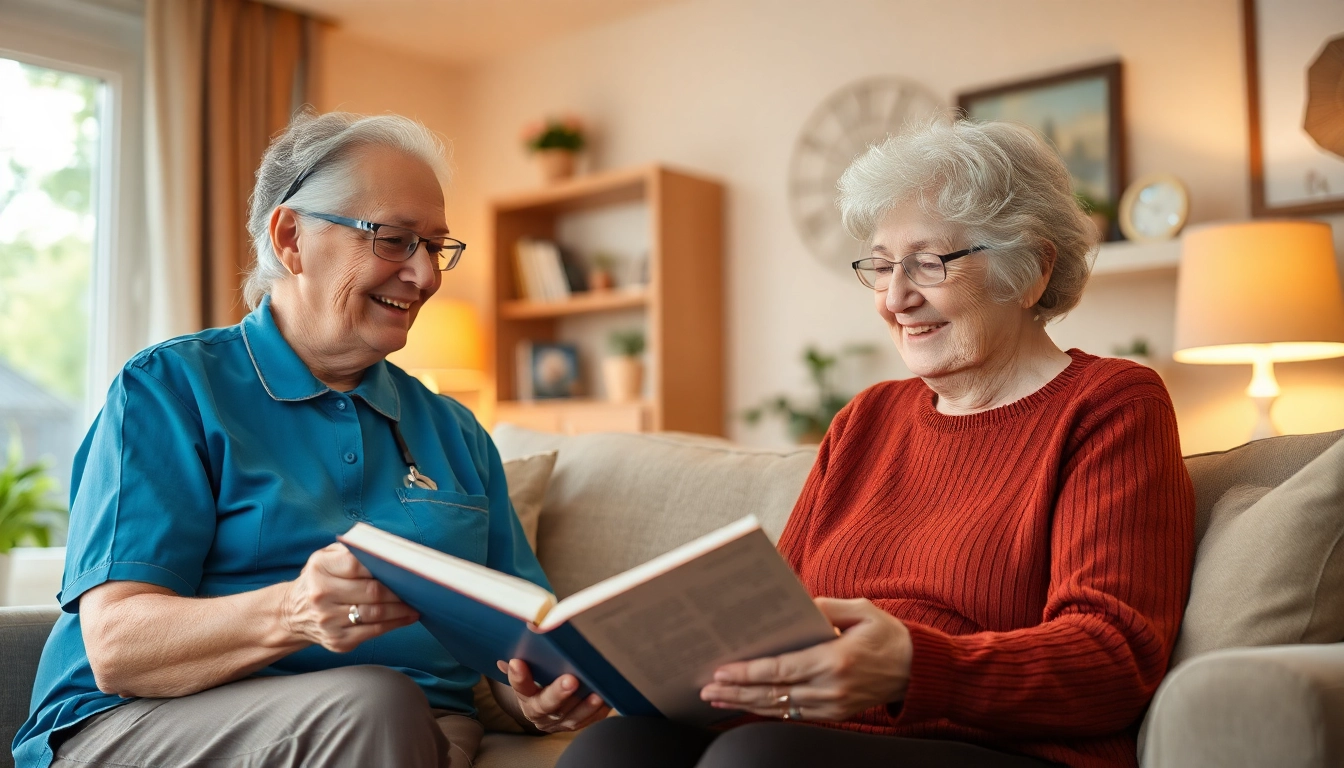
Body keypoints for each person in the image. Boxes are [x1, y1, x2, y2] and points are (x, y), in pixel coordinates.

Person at [557, 119, 1195, 768]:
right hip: (803, 731)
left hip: (1001, 746)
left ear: (1030, 268)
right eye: (883, 265)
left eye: (927, 263)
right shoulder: (866, 419)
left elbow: (1115, 657)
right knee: (615, 747)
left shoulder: (1110, 404)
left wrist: (914, 668)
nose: (895, 299)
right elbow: (775, 618)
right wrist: (630, 671)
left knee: (758, 758)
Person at [13, 110, 609, 768]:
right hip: (148, 719)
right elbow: (119, 647)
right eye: (394, 240)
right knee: (376, 705)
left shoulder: (455, 431)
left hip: (410, 727)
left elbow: (515, 647)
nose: (428, 276)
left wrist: (540, 696)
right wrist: (294, 611)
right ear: (291, 237)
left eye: (436, 247)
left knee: (394, 711)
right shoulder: (170, 390)